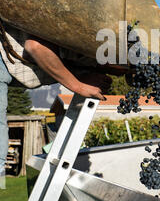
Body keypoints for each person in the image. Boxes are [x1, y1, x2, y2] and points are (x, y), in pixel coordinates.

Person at [0, 20, 116, 186]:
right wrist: (78, 86)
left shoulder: (90, 49)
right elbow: (36, 47)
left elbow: (62, 61)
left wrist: (81, 78)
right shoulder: (79, 26)